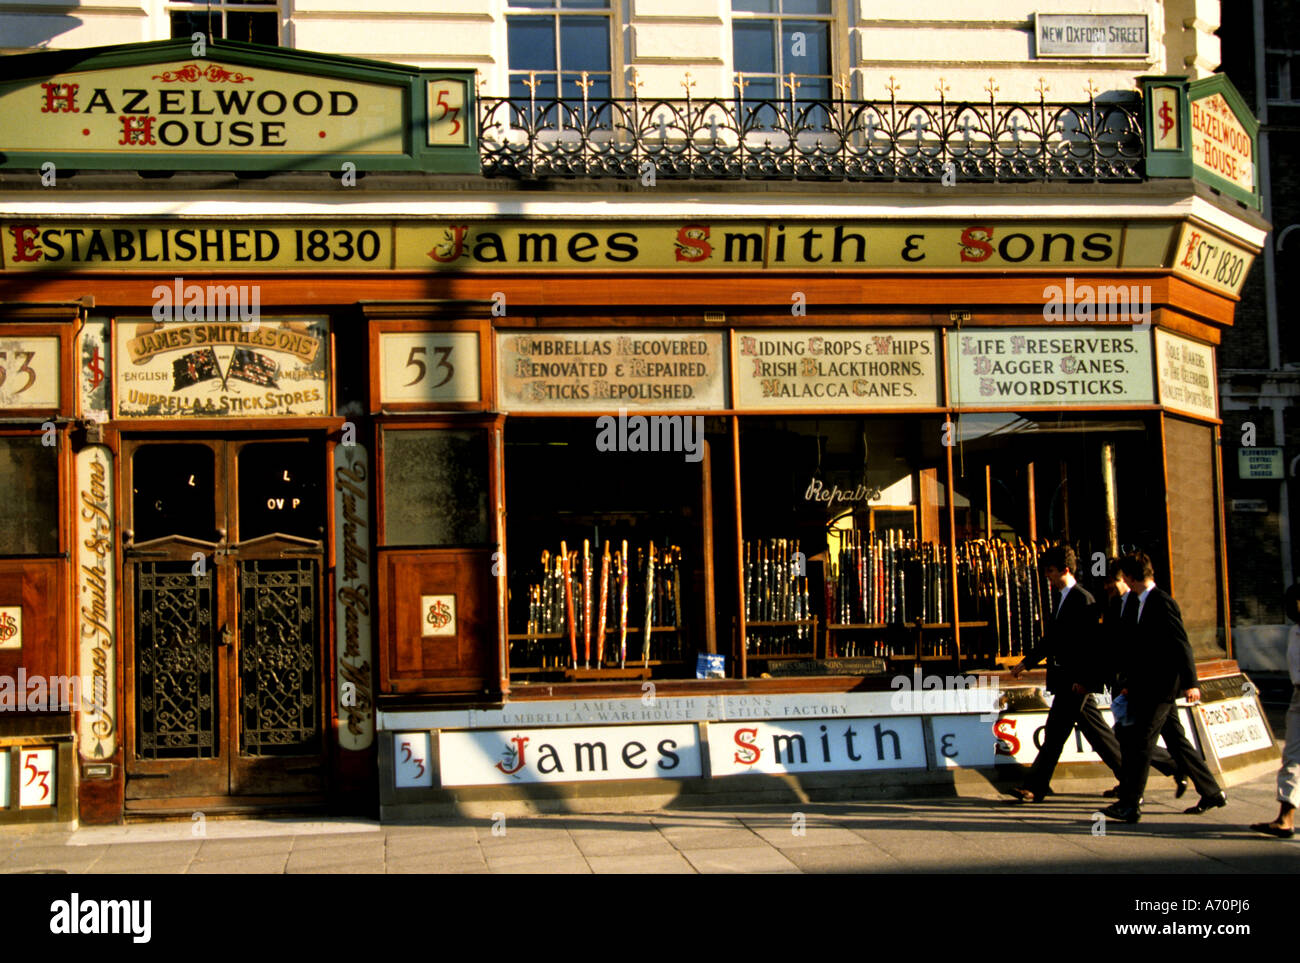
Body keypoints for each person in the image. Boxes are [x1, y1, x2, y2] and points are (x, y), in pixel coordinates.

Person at [1102, 552, 1226, 824]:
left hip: (1160, 688)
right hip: (1146, 686)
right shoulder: (1138, 602)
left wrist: (1192, 683)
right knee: (1177, 741)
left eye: (1124, 577)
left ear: (1131, 577)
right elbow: (1140, 650)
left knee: (1139, 744)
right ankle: (1211, 791)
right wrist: (1128, 683)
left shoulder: (1161, 602)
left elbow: (1181, 644)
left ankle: (1130, 804)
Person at [1006, 544, 1122, 802]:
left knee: (1055, 733)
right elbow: (1053, 639)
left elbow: (1091, 647)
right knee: (1099, 735)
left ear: (1065, 570)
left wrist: (1084, 681)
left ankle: (1035, 786)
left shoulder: (1083, 599)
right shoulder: (1061, 598)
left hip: (1075, 681)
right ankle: (1131, 778)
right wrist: (1028, 662)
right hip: (1068, 680)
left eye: (1050, 571)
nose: (1047, 577)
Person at [1099, 562, 1187, 801]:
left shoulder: (1146, 603)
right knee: (1131, 737)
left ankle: (1133, 795)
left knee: (1137, 739)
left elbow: (1174, 645)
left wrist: (1191, 683)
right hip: (1128, 681)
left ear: (1125, 579)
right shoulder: (1116, 604)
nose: (1109, 587)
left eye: (1113, 581)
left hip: (1148, 685)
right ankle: (1134, 787)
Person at [1249, 582, 1300, 838]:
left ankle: (1285, 818)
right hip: (1298, 696)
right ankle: (1285, 818)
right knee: (1292, 757)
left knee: (1294, 757)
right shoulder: (1295, 632)